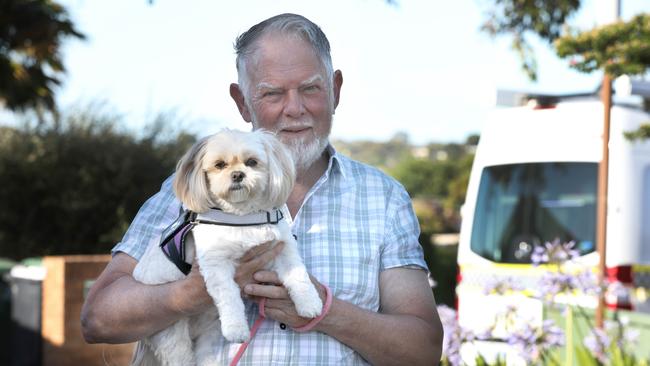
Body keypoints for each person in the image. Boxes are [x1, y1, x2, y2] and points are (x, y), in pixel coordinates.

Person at [81, 13, 443, 365]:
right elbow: (97, 319)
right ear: (242, 102)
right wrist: (189, 294)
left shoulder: (383, 198)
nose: (295, 109)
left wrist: (326, 311)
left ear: (335, 90)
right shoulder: (189, 192)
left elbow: (423, 351)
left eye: (311, 89)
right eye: (272, 94)